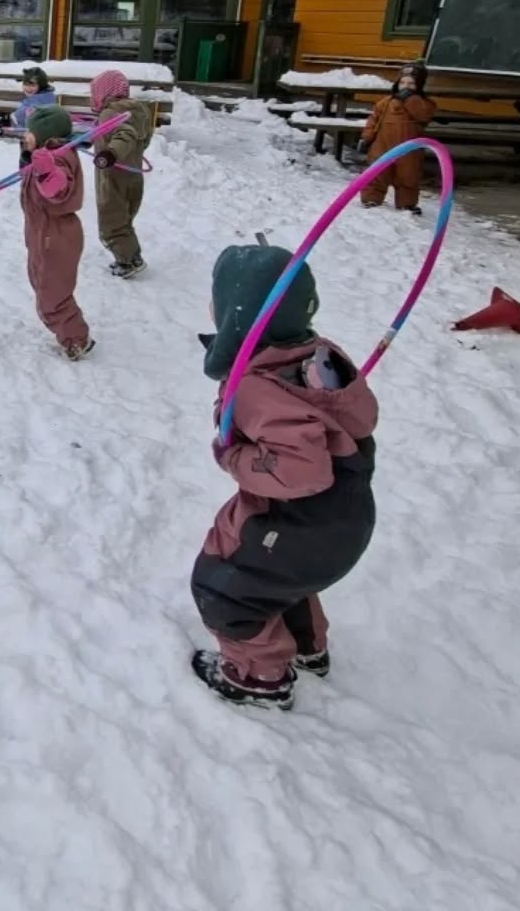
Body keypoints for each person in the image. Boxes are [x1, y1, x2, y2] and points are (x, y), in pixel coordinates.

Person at [189, 244, 378, 711]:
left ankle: (261, 676)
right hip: (343, 524)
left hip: (294, 523)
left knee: (225, 586)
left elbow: (302, 469)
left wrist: (233, 458)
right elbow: (361, 416)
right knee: (280, 579)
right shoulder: (320, 357)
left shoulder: (255, 388)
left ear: (239, 316)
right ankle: (310, 648)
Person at [20, 104, 93, 360]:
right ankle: (72, 329)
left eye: (29, 132)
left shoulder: (59, 158)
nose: (24, 136)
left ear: (45, 135)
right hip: (41, 233)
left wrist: (47, 171)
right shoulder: (44, 155)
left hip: (56, 235)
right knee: (41, 283)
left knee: (53, 295)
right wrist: (28, 159)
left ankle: (76, 338)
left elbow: (57, 189)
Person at [89, 69, 153, 277]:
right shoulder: (138, 111)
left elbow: (125, 134)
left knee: (111, 223)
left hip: (113, 176)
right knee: (123, 219)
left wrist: (110, 153)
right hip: (133, 176)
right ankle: (132, 256)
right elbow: (141, 137)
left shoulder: (110, 113)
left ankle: (128, 262)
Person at [359, 62, 437, 215]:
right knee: (376, 173)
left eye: (411, 83)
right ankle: (371, 199)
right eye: (402, 83)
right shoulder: (386, 102)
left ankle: (406, 204)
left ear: (419, 86)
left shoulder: (425, 103)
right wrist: (366, 138)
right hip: (382, 145)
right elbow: (373, 120)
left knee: (408, 176)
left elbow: (424, 115)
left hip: (409, 148)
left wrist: (410, 99)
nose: (405, 86)